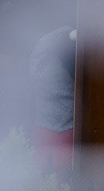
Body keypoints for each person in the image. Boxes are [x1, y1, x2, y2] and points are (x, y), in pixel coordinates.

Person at [28, 26, 76, 173]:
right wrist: (70, 31)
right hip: (64, 131)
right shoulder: (56, 69)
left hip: (46, 130)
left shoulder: (37, 66)